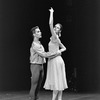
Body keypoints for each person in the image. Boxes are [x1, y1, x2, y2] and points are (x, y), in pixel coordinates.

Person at [29, 26, 61, 100]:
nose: (40, 32)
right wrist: (56, 53)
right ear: (34, 34)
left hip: (41, 65)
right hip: (35, 66)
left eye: (40, 31)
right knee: (34, 85)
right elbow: (44, 54)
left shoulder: (39, 43)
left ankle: (36, 98)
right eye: (38, 32)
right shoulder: (35, 45)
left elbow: (44, 54)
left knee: (38, 85)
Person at [43, 7, 68, 100]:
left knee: (57, 83)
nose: (55, 27)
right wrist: (59, 51)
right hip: (57, 60)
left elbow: (50, 23)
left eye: (57, 27)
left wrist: (52, 12)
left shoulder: (54, 37)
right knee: (59, 83)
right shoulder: (56, 38)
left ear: (59, 31)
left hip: (55, 61)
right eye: (55, 26)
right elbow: (64, 48)